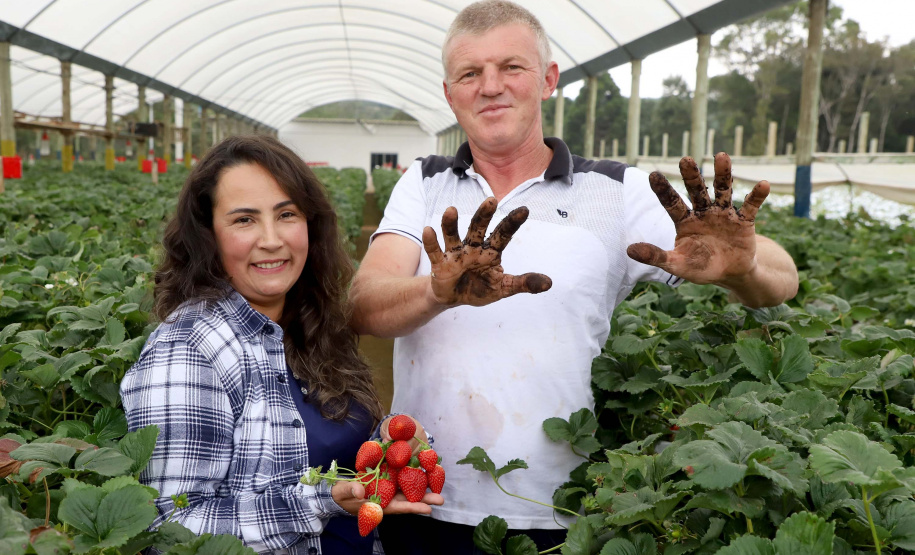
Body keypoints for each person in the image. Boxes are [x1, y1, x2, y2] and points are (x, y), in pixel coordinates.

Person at [348, 1, 799, 554]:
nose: (490, 86)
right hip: (427, 498)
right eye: (470, 73)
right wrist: (435, 292)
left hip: (566, 511)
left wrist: (744, 267)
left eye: (511, 67)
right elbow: (365, 303)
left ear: (548, 80)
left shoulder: (615, 191)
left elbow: (783, 277)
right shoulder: (425, 181)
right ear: (450, 94)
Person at [120, 135, 443, 555]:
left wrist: (389, 445)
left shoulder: (311, 323)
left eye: (286, 214)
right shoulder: (189, 350)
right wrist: (321, 502)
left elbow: (327, 450)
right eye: (244, 220)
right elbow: (168, 530)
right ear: (208, 234)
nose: (271, 239)